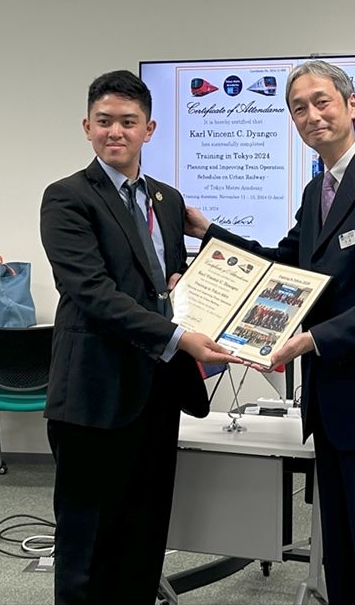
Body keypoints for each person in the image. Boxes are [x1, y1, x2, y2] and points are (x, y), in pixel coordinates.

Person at [186, 59, 355, 605]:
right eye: (298, 108)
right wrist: (210, 235)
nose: (311, 115)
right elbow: (282, 268)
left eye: (321, 101)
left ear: (351, 106)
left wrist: (312, 340)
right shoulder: (316, 191)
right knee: (344, 552)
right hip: (332, 402)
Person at [40, 70, 237, 605]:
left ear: (149, 129)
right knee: (87, 541)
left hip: (156, 393)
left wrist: (188, 292)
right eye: (104, 122)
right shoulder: (67, 199)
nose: (115, 132)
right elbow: (93, 293)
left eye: (128, 122)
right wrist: (179, 334)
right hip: (93, 395)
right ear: (87, 127)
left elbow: (167, 283)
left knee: (144, 534)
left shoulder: (167, 201)